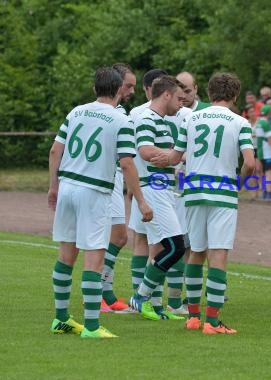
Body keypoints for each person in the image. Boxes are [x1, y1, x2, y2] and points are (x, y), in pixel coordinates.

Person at [48, 67, 152, 338]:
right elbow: (127, 162)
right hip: (94, 191)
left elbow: (55, 150)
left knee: (66, 256)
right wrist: (141, 201)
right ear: (118, 90)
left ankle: (61, 318)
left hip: (68, 187)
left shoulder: (76, 112)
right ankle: (92, 327)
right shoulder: (121, 121)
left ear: (95, 89)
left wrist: (53, 186)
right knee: (94, 257)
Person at [155, 72, 255, 334]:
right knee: (218, 253)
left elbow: (176, 157)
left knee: (196, 252)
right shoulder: (240, 122)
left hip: (194, 191)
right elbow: (251, 163)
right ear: (234, 96)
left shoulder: (191, 119)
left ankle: (193, 316)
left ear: (209, 94)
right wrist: (238, 183)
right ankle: (212, 321)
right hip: (222, 192)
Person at [127, 75, 188, 321]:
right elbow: (144, 150)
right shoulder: (146, 118)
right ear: (166, 95)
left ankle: (155, 304)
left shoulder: (161, 120)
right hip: (153, 189)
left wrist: (172, 156)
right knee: (176, 247)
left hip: (164, 189)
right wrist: (173, 156)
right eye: (178, 98)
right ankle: (140, 297)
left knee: (163, 248)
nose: (181, 104)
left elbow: (165, 153)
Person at [99, 63, 138, 313]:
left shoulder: (121, 111)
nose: (132, 90)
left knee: (117, 237)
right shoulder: (110, 113)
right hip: (105, 179)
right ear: (116, 83)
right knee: (111, 237)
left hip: (114, 179)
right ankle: (101, 295)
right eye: (128, 85)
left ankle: (106, 294)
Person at [256, 104, 271, 200]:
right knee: (270, 172)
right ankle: (269, 194)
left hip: (260, 151)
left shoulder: (259, 123)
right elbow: (270, 139)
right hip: (268, 153)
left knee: (263, 173)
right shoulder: (266, 124)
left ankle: (264, 193)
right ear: (269, 113)